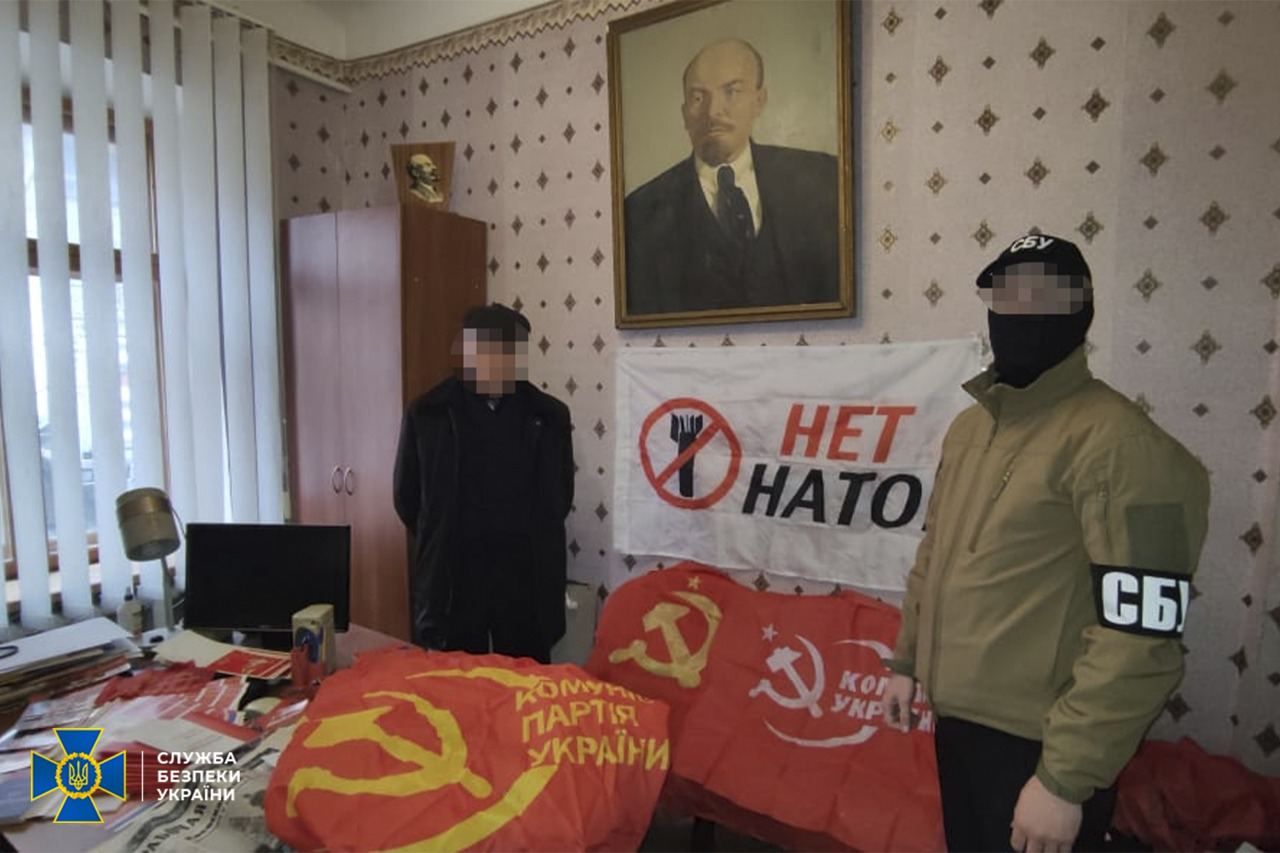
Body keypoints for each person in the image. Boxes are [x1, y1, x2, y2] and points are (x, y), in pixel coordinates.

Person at [882, 234, 1210, 852]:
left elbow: (1140, 637)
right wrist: (906, 661)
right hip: (958, 725)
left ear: (1079, 312)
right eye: (1005, 298)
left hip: (1043, 744)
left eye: (1041, 299)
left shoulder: (1124, 447)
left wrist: (1065, 779)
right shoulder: (972, 428)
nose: (1018, 315)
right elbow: (935, 556)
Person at [392, 304, 574, 663]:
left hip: (524, 573)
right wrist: (443, 533)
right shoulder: (428, 413)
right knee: (454, 681)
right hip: (454, 574)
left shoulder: (549, 416)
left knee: (526, 680)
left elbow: (559, 498)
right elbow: (407, 499)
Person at [623, 38, 839, 315]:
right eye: (698, 97)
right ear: (684, 114)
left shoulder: (824, 179)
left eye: (731, 92)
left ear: (759, 101)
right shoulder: (639, 213)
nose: (713, 112)